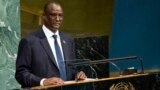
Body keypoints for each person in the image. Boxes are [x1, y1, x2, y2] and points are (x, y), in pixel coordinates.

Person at [15, 1, 87, 88]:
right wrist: (43, 81)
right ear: (44, 17)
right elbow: (21, 74)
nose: (57, 19)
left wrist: (78, 75)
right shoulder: (29, 41)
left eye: (60, 15)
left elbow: (71, 69)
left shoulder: (68, 40)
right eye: (53, 15)